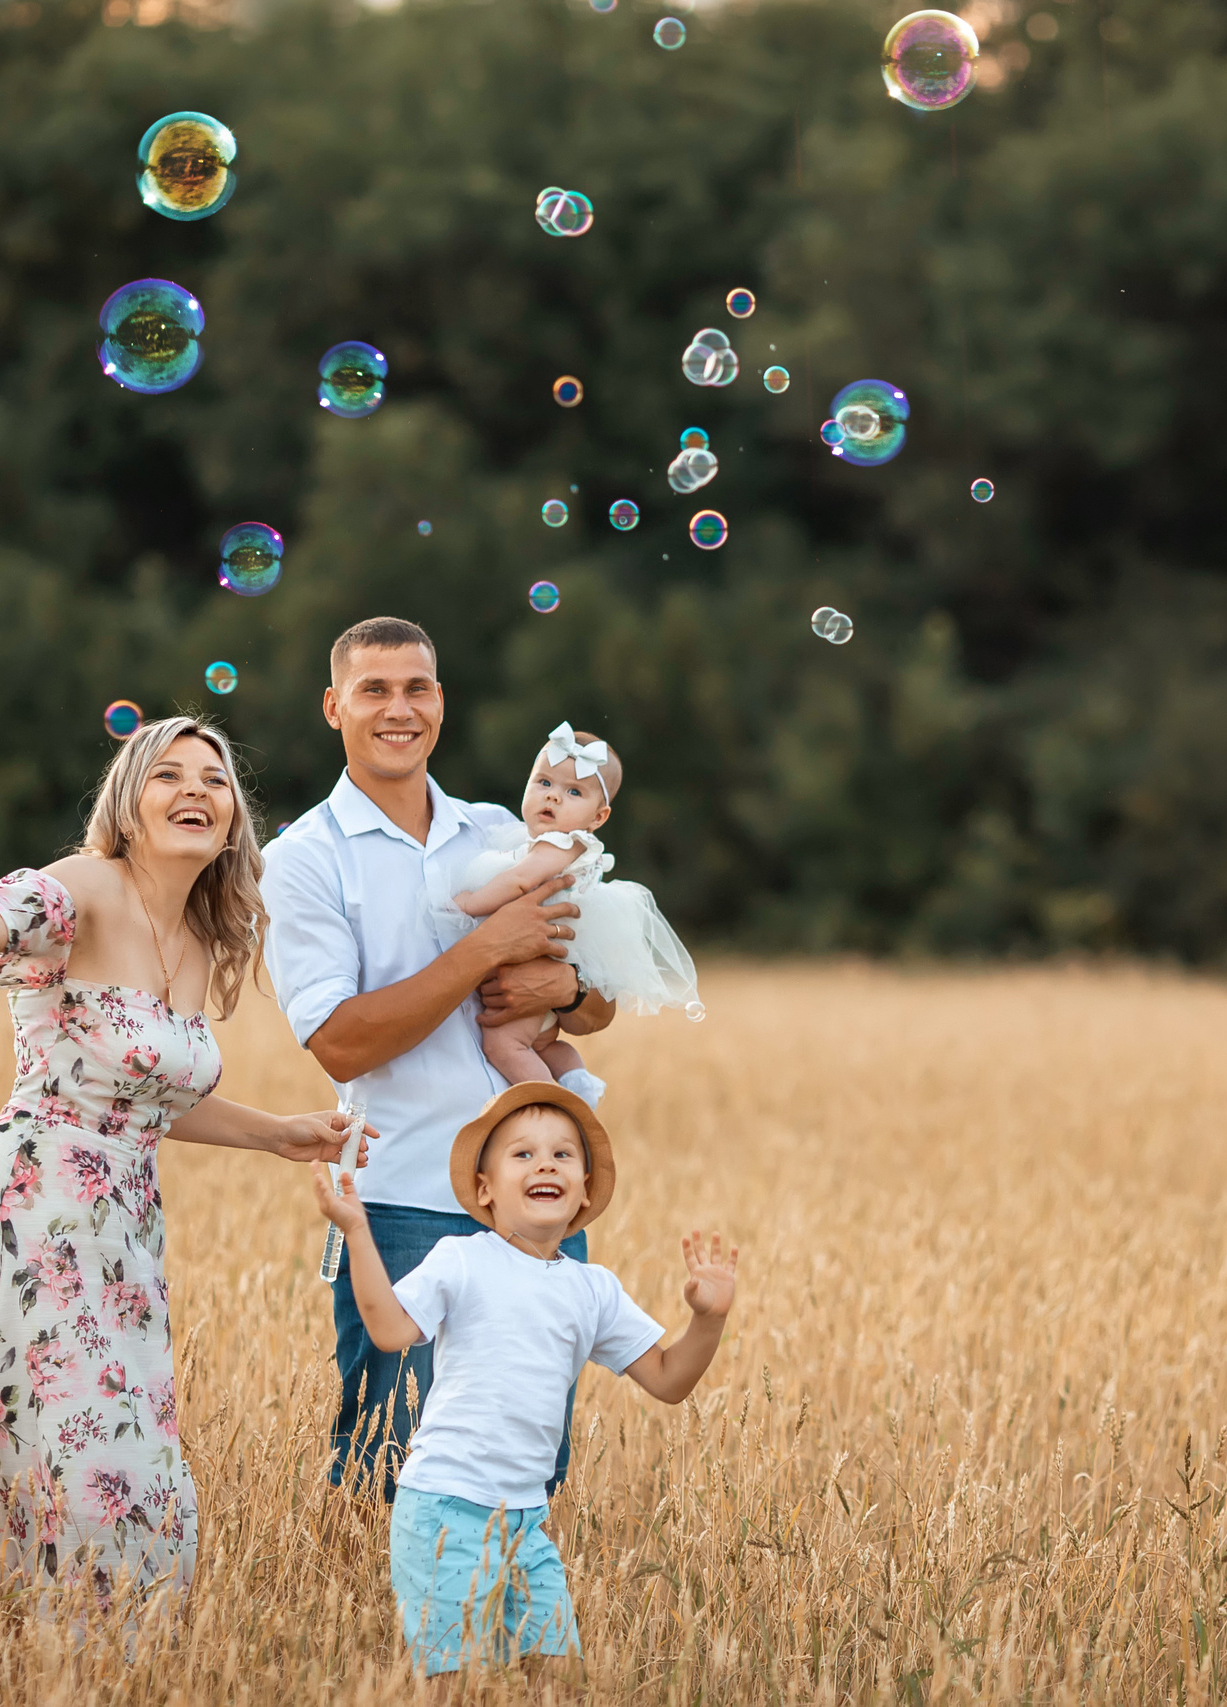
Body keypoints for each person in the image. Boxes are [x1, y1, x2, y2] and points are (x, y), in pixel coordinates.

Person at [0, 715, 363, 1611]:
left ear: (236, 815)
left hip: (121, 1227)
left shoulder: (199, 939)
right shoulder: (86, 885)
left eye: (215, 777)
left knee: (108, 1434)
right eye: (169, 775)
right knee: (74, 1443)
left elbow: (147, 1102)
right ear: (127, 805)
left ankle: (82, 1651)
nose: (197, 789)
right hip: (30, 1199)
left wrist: (278, 1132)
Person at [261, 617, 618, 1496]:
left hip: (534, 1191)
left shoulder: (502, 829)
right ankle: (378, 1636)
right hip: (403, 1199)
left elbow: (601, 998)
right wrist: (485, 949)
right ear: (333, 705)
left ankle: (498, 1632)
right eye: (375, 689)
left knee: (528, 1465)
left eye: (417, 687)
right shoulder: (301, 859)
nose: (399, 708)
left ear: (441, 703)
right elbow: (339, 1038)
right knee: (397, 1463)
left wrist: (559, 991)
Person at [310, 1082, 736, 1683]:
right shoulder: (462, 1260)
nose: (546, 1164)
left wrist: (707, 1320)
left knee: (560, 1678)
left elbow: (669, 1380)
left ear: (584, 1189)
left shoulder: (593, 1288)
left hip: (528, 1520)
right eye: (523, 1154)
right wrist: (357, 1231)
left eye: (564, 1155)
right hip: (442, 1509)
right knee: (452, 1684)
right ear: (484, 1189)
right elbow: (385, 1330)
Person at [443, 721, 702, 1085]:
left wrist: (469, 903)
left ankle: (551, 1101)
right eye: (544, 783)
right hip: (540, 971)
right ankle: (578, 1083)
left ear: (598, 818)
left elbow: (519, 881)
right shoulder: (523, 837)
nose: (553, 797)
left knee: (505, 1045)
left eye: (574, 792)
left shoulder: (561, 845)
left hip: (534, 966)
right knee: (546, 1045)